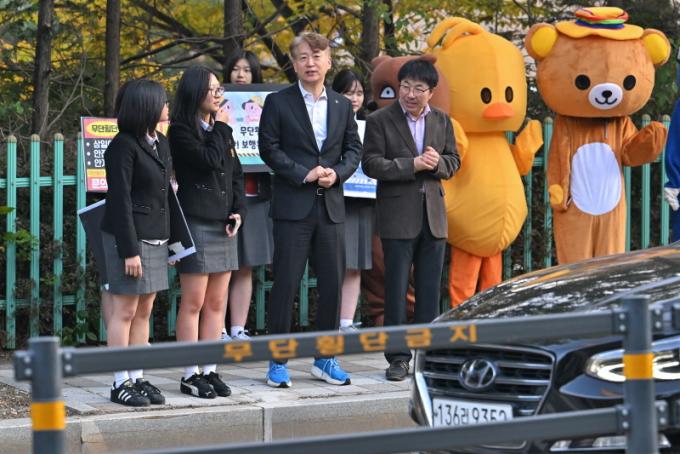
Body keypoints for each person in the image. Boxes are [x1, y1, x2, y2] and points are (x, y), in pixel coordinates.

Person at [259, 32, 362, 388]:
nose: (311, 63)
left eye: (317, 56)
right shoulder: (278, 102)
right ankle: (277, 361)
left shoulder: (341, 105)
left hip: (331, 207)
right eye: (303, 57)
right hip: (293, 206)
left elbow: (353, 149)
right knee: (286, 283)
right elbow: (269, 148)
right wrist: (304, 173)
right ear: (294, 63)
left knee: (332, 284)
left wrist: (338, 173)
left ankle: (325, 358)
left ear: (329, 61)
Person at [362, 59, 460, 381]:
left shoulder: (442, 120)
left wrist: (437, 164)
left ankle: (428, 356)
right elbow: (371, 164)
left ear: (431, 92)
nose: (410, 94)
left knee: (430, 292)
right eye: (405, 86)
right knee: (395, 289)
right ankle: (398, 358)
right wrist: (412, 165)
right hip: (397, 215)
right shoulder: (379, 120)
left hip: (433, 216)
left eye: (419, 88)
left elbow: (454, 161)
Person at [168, 65, 245, 399]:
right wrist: (221, 128)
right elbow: (208, 161)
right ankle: (190, 373)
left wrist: (238, 210)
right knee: (194, 301)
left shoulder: (221, 130)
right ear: (194, 92)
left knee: (217, 301)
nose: (218, 95)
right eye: (212, 89)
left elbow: (235, 174)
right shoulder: (180, 131)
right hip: (196, 221)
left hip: (222, 223)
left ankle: (210, 369)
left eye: (219, 89)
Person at [100, 79, 172, 407]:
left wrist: (174, 244)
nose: (167, 106)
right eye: (162, 101)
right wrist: (129, 251)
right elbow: (120, 201)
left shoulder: (161, 142)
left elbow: (167, 196)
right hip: (128, 238)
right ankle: (120, 382)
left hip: (157, 236)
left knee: (145, 309)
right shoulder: (122, 146)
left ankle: (138, 376)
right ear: (146, 106)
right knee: (125, 310)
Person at [221, 50, 273, 342]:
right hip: (222, 200)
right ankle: (217, 329)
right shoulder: (216, 105)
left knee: (245, 266)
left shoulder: (267, 107)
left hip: (255, 197)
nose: (240, 75)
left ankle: (237, 328)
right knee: (220, 267)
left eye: (247, 70)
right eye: (236, 69)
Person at [331, 69, 373, 332]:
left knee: (356, 264)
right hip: (336, 200)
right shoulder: (327, 123)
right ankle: (332, 321)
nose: (354, 98)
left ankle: (346, 321)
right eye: (348, 93)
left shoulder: (371, 125)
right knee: (335, 263)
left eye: (359, 93)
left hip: (363, 201)